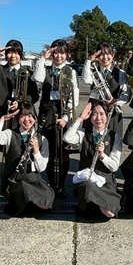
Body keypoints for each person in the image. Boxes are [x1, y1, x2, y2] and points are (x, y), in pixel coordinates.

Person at [31, 39, 79, 198]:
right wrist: (43, 58)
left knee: (63, 152)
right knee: (49, 151)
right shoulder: (45, 69)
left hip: (64, 115)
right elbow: (37, 79)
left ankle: (62, 185)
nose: (59, 56)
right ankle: (52, 184)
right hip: (46, 115)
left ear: (67, 54)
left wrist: (66, 117)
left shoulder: (70, 71)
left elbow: (74, 97)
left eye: (62, 53)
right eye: (56, 52)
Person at [0, 101, 54, 216]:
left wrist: (36, 150)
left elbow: (41, 168)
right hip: (15, 181)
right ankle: (25, 206)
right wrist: (2, 119)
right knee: (25, 193)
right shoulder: (10, 134)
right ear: (17, 118)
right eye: (22, 116)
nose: (26, 120)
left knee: (48, 198)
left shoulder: (42, 139)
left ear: (35, 117)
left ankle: (26, 207)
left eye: (29, 116)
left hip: (34, 181)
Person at [64, 101, 123, 219]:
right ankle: (91, 204)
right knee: (88, 188)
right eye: (94, 114)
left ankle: (91, 205)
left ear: (107, 116)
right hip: (88, 180)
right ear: (90, 117)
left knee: (110, 213)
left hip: (106, 181)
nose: (98, 118)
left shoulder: (114, 137)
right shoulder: (84, 133)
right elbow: (67, 138)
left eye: (102, 114)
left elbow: (114, 167)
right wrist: (80, 118)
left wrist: (103, 155)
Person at [0, 39, 39, 150]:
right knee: (3, 141)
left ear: (21, 55)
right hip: (4, 110)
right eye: (10, 52)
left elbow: (34, 95)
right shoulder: (0, 69)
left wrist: (21, 102)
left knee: (20, 141)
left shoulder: (28, 72)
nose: (13, 56)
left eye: (16, 53)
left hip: (22, 112)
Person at [81, 43, 131, 137]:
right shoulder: (93, 71)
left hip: (112, 111)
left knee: (112, 140)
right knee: (90, 139)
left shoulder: (120, 73)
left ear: (113, 55)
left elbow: (126, 94)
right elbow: (86, 80)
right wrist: (88, 61)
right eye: (101, 54)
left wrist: (115, 101)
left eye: (108, 54)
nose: (105, 57)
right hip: (94, 111)